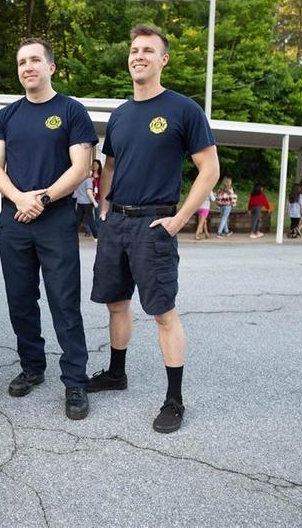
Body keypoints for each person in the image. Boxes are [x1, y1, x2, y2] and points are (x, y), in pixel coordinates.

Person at [88, 24, 219, 434]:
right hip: (117, 224)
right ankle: (116, 373)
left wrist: (179, 219)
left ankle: (174, 400)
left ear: (163, 60)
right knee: (115, 303)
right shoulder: (122, 114)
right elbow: (109, 164)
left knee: (163, 312)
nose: (138, 55)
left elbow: (209, 169)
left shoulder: (183, 110)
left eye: (148, 50)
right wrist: (105, 208)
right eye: (134, 50)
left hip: (154, 223)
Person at [0, 38, 97, 420]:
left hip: (55, 219)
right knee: (20, 300)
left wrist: (43, 199)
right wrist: (20, 199)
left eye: (35, 60)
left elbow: (79, 168)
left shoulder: (71, 111)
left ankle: (76, 381)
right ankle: (32, 367)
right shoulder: (6, 115)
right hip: (14, 220)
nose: (28, 67)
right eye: (22, 62)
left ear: (51, 67)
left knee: (64, 302)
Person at [73, 169, 98, 240]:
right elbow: (88, 191)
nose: (91, 172)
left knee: (78, 220)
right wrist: (94, 202)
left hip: (79, 202)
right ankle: (96, 236)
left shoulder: (80, 179)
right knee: (90, 220)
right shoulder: (88, 180)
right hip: (87, 203)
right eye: (90, 170)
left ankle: (72, 235)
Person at [87, 159, 103, 234]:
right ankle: (88, 231)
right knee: (89, 215)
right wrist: (90, 179)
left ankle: (98, 231)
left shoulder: (102, 176)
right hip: (89, 198)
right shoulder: (89, 175)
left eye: (96, 164)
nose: (95, 166)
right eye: (93, 165)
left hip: (99, 197)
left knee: (98, 215)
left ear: (99, 166)